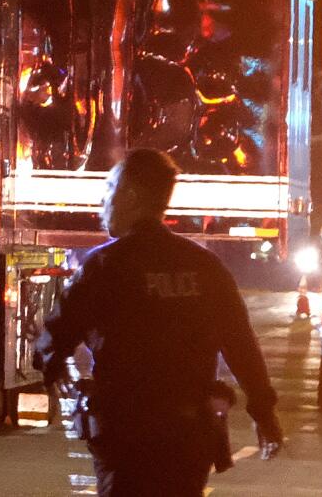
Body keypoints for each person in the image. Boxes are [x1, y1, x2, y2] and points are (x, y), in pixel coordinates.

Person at [37, 148, 283, 497]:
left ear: (133, 197)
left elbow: (57, 332)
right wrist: (264, 412)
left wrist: (51, 362)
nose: (103, 202)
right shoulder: (205, 267)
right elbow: (240, 344)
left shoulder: (105, 267)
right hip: (189, 437)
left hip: (126, 438)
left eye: (110, 190)